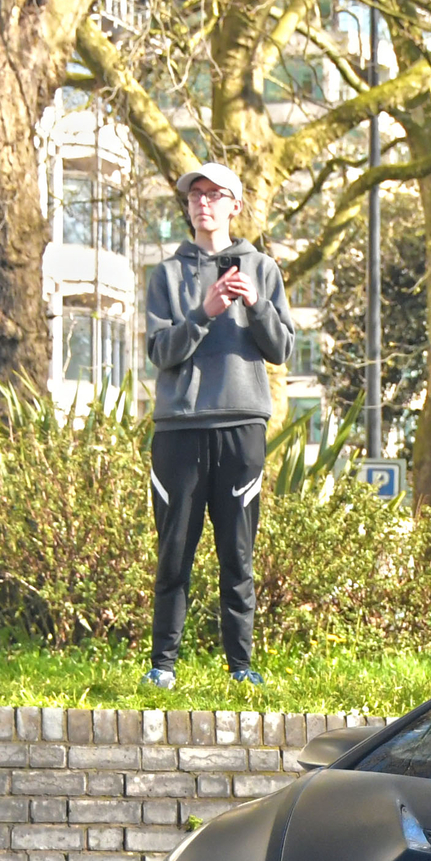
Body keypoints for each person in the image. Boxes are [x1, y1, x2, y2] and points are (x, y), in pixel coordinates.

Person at [141, 162, 294, 687]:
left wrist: (253, 305)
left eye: (214, 194)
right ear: (187, 207)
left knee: (237, 553)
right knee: (174, 552)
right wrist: (204, 311)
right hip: (179, 430)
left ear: (236, 204)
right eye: (194, 195)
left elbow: (280, 349)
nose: (203, 203)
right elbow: (160, 351)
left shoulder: (264, 269)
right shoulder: (165, 276)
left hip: (242, 426)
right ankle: (162, 667)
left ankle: (241, 668)